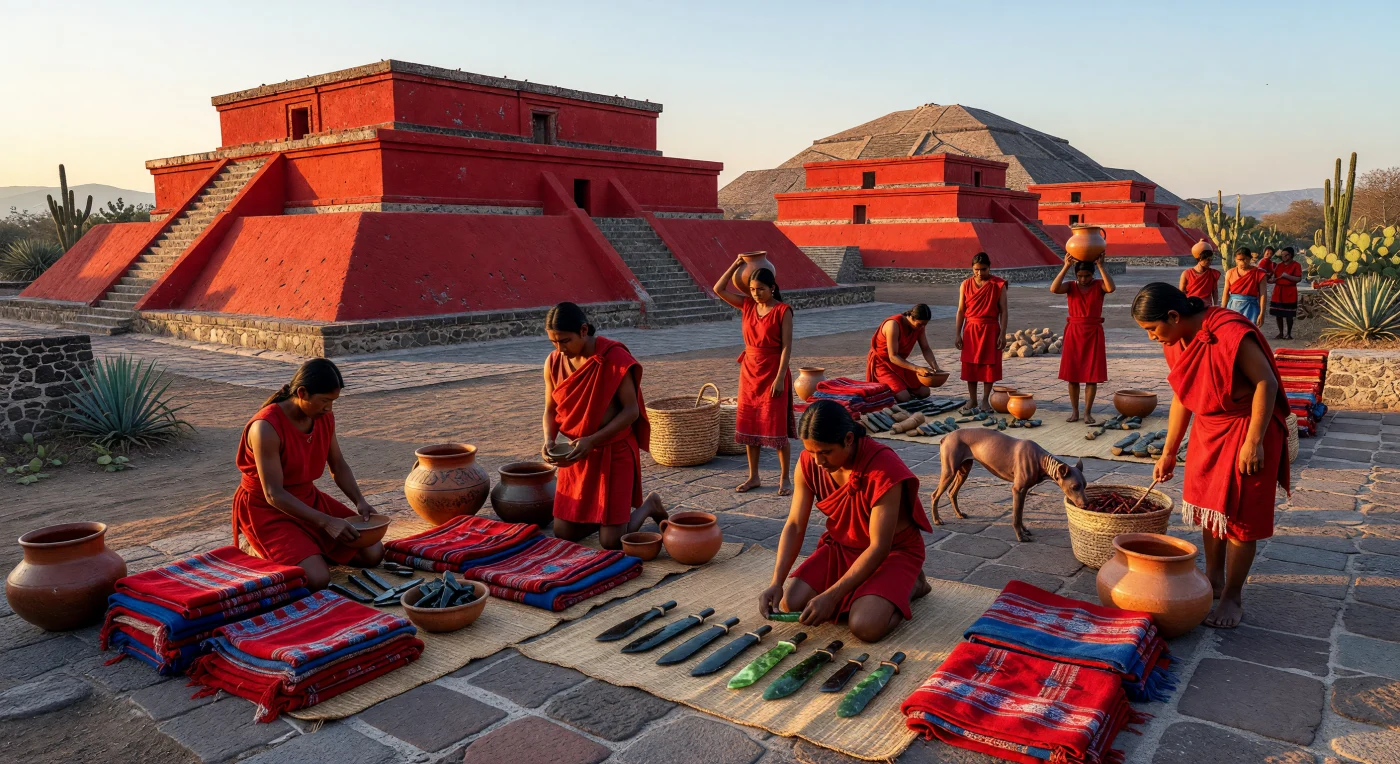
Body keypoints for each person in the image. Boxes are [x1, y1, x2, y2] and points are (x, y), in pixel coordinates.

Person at [1133, 283, 1289, 628]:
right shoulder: (1175, 340)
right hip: (1209, 429)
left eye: (1152, 329)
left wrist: (1254, 442)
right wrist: (1170, 451)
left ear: (1173, 316)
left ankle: (1233, 595)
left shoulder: (1230, 331)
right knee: (1209, 507)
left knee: (1240, 516)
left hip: (1249, 426)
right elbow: (1182, 395)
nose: (1151, 338)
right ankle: (1213, 579)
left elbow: (1267, 383)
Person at [758, 400, 933, 642]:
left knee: (865, 627)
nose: (818, 462)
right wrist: (776, 582)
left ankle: (913, 585)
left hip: (892, 552)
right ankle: (868, 595)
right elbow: (796, 524)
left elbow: (879, 547)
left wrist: (831, 596)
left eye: (825, 452)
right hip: (843, 547)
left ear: (849, 439)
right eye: (812, 452)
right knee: (791, 603)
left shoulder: (883, 469)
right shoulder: (810, 463)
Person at [233, 359, 381, 592]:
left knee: (373, 552)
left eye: (333, 402)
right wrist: (326, 522)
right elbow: (273, 494)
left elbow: (338, 465)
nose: (329, 408)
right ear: (302, 393)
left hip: (307, 498)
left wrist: (359, 500)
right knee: (316, 578)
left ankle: (307, 547)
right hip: (267, 508)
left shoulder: (324, 418)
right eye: (324, 401)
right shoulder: (266, 427)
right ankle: (254, 546)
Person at [542, 302, 666, 549]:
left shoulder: (614, 357)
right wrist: (549, 440)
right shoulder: (554, 361)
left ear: (584, 330)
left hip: (614, 450)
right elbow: (550, 409)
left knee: (611, 542)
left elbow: (631, 412)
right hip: (577, 454)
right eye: (554, 342)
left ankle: (650, 505)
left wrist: (593, 440)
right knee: (563, 533)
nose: (559, 348)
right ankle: (603, 516)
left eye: (565, 341)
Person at [714, 259, 796, 494]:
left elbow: (786, 348)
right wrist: (734, 264)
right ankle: (754, 477)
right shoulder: (747, 305)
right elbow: (718, 289)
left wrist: (780, 378)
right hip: (749, 372)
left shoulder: (783, 310)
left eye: (761, 289)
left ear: (772, 287)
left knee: (776, 427)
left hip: (773, 371)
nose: (756, 293)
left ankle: (785, 478)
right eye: (752, 289)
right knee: (750, 427)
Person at [1050, 257, 1115, 423]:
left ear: (1092, 275)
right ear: (1076, 275)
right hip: (1074, 332)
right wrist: (1066, 266)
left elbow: (1111, 288)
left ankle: (1087, 412)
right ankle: (1075, 412)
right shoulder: (1071, 286)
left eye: (1087, 276)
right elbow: (1054, 288)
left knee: (1091, 375)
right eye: (1080, 276)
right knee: (1073, 375)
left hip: (1093, 332)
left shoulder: (1099, 284)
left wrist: (1100, 265)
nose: (1083, 279)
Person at [955, 252, 1008, 412]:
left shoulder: (998, 285)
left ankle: (985, 400)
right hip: (971, 329)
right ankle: (972, 399)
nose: (979, 273)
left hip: (991, 328)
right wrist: (958, 333)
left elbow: (1004, 311)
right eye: (976, 269)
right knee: (970, 366)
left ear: (989, 268)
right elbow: (961, 310)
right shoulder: (965, 284)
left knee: (988, 366)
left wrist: (1003, 333)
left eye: (983, 269)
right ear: (972, 268)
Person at [866, 304, 943, 403]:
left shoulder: (919, 326)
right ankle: (893, 391)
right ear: (911, 317)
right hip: (882, 364)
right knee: (903, 397)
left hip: (900, 364)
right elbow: (893, 356)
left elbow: (925, 348)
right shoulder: (893, 325)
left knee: (925, 392)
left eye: (924, 325)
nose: (922, 327)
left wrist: (936, 368)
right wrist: (917, 369)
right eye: (920, 324)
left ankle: (903, 388)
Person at [1223, 247, 1268, 325]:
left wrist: (1262, 313)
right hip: (1233, 307)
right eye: (1239, 260)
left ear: (1250, 258)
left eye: (1245, 259)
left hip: (1251, 309)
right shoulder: (1230, 273)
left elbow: (1263, 295)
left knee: (1249, 333)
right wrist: (1222, 311)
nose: (1242, 262)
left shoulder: (1259, 274)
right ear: (1235, 260)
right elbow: (1225, 293)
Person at [1268, 247, 1303, 340]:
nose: (1283, 257)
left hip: (1289, 291)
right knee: (1278, 314)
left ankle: (1289, 333)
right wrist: (1269, 279)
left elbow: (1298, 279)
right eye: (1282, 255)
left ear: (1291, 255)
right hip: (1278, 291)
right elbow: (1274, 278)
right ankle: (1280, 333)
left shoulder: (1296, 265)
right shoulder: (1278, 265)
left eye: (1286, 255)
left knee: (1289, 314)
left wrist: (1287, 276)